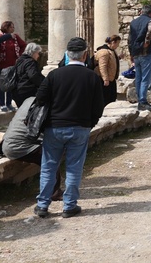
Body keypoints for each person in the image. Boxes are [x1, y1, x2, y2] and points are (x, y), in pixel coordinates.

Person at [33, 37, 104, 219]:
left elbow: (40, 98)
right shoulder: (92, 77)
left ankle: (42, 205)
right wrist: (90, 123)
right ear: (85, 55)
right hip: (80, 127)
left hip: (54, 127)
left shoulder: (54, 75)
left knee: (49, 166)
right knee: (74, 167)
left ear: (67, 54)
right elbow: (98, 106)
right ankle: (69, 206)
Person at [0, 97, 62, 202]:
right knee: (52, 156)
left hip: (7, 144)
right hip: (19, 147)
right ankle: (54, 192)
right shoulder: (47, 104)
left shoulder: (29, 100)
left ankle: (51, 190)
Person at [128, 4, 151, 111]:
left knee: (139, 77)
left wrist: (131, 53)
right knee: (146, 78)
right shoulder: (150, 21)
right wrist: (147, 42)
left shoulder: (133, 22)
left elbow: (129, 39)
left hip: (136, 53)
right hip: (146, 53)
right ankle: (143, 101)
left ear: (141, 12)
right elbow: (150, 30)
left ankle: (140, 100)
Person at [0, 20, 26, 112]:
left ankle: (9, 103)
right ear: (6, 28)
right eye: (11, 27)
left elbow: (23, 45)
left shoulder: (15, 37)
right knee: (2, 85)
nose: (13, 29)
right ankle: (1, 103)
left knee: (11, 84)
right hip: (1, 65)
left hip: (12, 64)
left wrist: (19, 55)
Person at [11, 43, 45, 107]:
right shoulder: (30, 62)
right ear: (33, 53)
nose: (38, 56)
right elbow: (33, 75)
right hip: (27, 91)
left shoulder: (20, 60)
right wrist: (44, 83)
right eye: (37, 53)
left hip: (17, 91)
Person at [94, 35, 121, 106]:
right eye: (117, 43)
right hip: (105, 80)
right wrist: (105, 79)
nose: (118, 46)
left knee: (112, 98)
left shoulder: (111, 51)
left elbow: (111, 61)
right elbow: (102, 66)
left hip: (111, 78)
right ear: (113, 42)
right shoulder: (104, 52)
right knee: (106, 99)